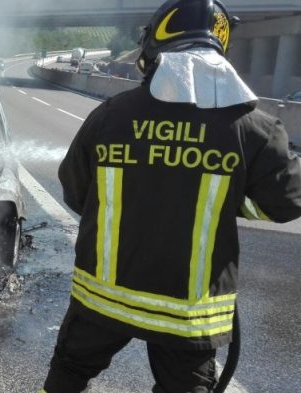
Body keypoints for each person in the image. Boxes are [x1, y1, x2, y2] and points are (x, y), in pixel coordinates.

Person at [41, 0, 301, 392]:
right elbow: (286, 204)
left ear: (153, 49)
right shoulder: (254, 128)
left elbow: (76, 192)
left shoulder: (111, 115)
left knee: (68, 375)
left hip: (101, 302)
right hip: (188, 314)